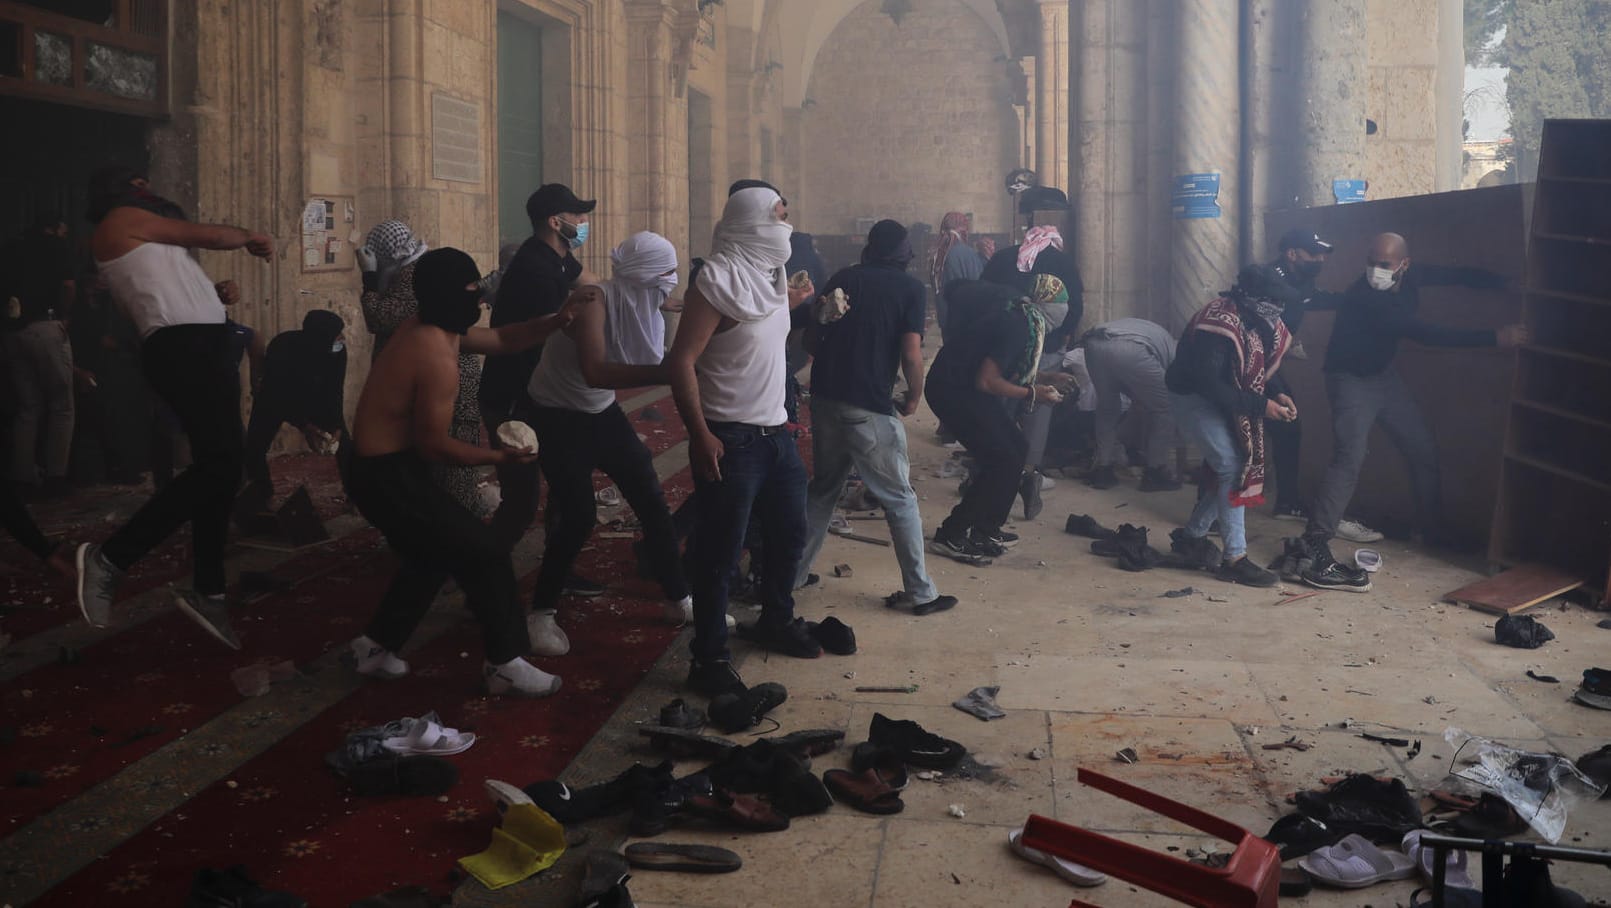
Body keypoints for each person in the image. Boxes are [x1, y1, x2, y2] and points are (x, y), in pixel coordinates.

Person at [344, 247, 577, 695]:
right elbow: (435, 446)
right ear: (448, 294)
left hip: (388, 465)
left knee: (433, 553)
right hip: (382, 475)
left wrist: (556, 320)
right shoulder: (432, 352)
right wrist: (501, 458)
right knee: (484, 550)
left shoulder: (438, 327)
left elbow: (505, 339)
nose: (482, 298)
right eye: (473, 290)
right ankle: (505, 662)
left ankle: (374, 646)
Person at [73, 163, 273, 648]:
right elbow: (203, 234)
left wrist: (211, 293)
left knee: (221, 468)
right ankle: (111, 558)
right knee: (221, 464)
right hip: (182, 347)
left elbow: (165, 285)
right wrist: (247, 235)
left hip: (201, 341)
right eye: (141, 185)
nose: (150, 191)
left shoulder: (143, 236)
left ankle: (209, 589)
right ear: (124, 191)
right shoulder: (119, 221)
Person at [1297, 232, 1526, 592]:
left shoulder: (1413, 275)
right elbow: (1428, 334)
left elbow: (1456, 276)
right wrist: (1496, 337)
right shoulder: (1368, 299)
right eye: (1371, 262)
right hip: (1350, 381)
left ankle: (1432, 531)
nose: (1375, 271)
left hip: (1383, 378)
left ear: (1404, 264)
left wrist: (1503, 283)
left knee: (1421, 448)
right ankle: (1313, 544)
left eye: (1384, 265)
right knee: (1349, 458)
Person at [666, 185, 819, 699]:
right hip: (732, 439)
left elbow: (760, 341)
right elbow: (681, 360)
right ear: (751, 221)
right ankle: (708, 658)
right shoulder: (716, 281)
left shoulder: (769, 278)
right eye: (779, 214)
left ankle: (777, 618)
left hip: (777, 435)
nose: (786, 223)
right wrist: (700, 433)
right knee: (720, 553)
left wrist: (796, 306)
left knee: (788, 537)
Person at [522, 231, 701, 656]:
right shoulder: (591, 301)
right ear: (641, 276)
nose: (669, 285)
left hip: (600, 412)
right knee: (579, 513)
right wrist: (671, 372)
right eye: (664, 275)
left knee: (651, 501)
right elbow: (596, 373)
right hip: (557, 414)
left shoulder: (642, 296)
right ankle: (541, 612)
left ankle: (680, 600)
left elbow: (672, 305)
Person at [795, 220, 957, 615]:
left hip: (826, 397)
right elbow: (911, 352)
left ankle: (792, 576)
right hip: (867, 404)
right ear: (904, 253)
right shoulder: (910, 289)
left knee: (823, 490)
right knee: (899, 498)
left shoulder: (844, 277)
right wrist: (915, 396)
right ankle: (920, 592)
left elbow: (812, 340)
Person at [481, 185, 604, 592]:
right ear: (556, 222)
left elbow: (595, 285)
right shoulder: (537, 271)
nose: (584, 224)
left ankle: (557, 567)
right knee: (520, 501)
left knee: (563, 489)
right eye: (579, 218)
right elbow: (543, 338)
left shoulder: (555, 259)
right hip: (515, 397)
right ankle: (477, 573)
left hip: (533, 394)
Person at [1164, 266, 1297, 588]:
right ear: (1254, 299)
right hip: (1194, 397)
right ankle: (1234, 558)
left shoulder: (1262, 320)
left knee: (1229, 467)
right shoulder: (1218, 325)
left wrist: (1278, 392)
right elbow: (1209, 385)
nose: (1279, 308)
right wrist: (1262, 406)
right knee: (1231, 465)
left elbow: (1263, 365)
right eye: (1274, 301)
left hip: (1227, 396)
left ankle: (1192, 538)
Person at [927, 274, 1072, 559]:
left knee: (1017, 448)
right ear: (1046, 303)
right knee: (1000, 458)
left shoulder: (1026, 320)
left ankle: (987, 528)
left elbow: (1006, 365)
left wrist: (1045, 376)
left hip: (966, 385)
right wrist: (1033, 393)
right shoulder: (1017, 325)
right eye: (1061, 303)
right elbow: (988, 381)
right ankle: (952, 534)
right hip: (953, 389)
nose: (1064, 310)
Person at [359, 218, 486, 515]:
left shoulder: (412, 275)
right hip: (439, 375)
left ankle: (460, 526)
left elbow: (381, 318)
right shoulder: (412, 271)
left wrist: (368, 280)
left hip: (448, 377)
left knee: (450, 465)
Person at [3, 215, 78, 498]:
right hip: (46, 326)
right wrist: (65, 316)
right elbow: (69, 285)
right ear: (55, 228)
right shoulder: (55, 247)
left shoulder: (10, 247)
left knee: (27, 406)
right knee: (62, 405)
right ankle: (56, 477)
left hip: (12, 331)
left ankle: (21, 478)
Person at [240, 310, 348, 497]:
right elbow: (278, 396)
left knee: (346, 448)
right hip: (274, 398)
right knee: (255, 448)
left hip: (313, 397)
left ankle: (355, 495)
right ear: (320, 338)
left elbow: (335, 389)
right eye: (337, 334)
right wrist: (305, 426)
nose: (342, 338)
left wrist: (337, 424)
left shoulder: (337, 350)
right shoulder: (282, 346)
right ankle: (261, 496)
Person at [1081, 318, 1181, 492]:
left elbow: (1137, 392)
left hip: (1094, 343)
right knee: (1167, 408)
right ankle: (1155, 472)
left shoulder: (1158, 336)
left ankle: (1103, 469)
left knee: (1107, 408)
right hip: (1131, 349)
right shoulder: (1175, 356)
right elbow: (1167, 394)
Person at [67, 264, 144, 486]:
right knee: (85, 422)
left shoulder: (108, 306)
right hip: (83, 366)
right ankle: (82, 473)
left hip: (108, 369)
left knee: (111, 419)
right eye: (100, 276)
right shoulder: (77, 308)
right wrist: (77, 369)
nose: (105, 280)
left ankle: (117, 467)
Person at [929, 211, 984, 341]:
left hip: (946, 320)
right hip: (966, 322)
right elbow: (980, 286)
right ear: (964, 228)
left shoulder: (936, 255)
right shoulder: (967, 253)